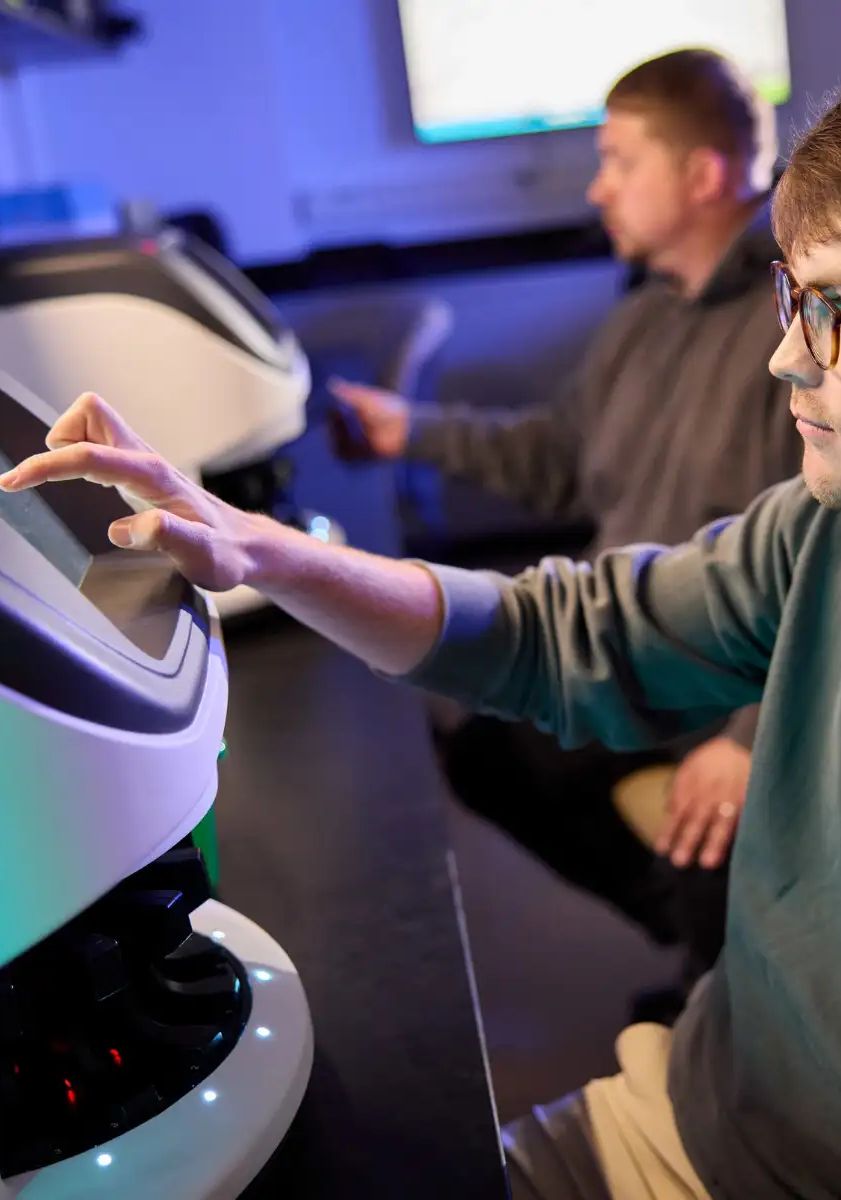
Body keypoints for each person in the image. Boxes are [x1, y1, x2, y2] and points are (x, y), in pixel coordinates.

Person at [0, 16, 841, 1199]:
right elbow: (561, 634)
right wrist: (269, 552)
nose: (783, 354)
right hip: (669, 1125)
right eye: (790, 295)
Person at [328, 47, 800, 1018]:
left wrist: (753, 738)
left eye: (622, 161)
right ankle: (702, 951)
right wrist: (407, 429)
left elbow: (828, 552)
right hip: (621, 651)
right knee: (475, 741)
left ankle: (728, 993)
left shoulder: (791, 330)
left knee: (716, 833)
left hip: (722, 686)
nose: (599, 187)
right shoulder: (640, 325)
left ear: (705, 175)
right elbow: (559, 454)